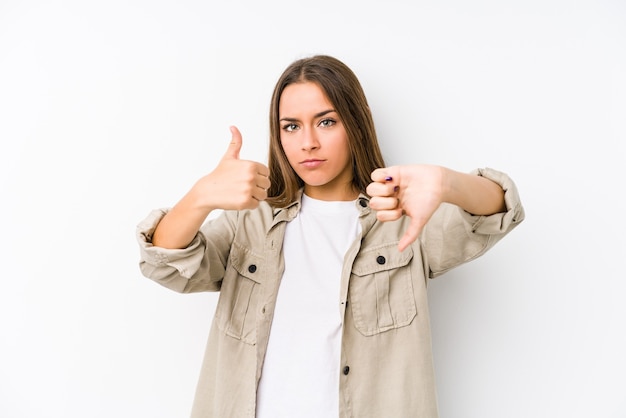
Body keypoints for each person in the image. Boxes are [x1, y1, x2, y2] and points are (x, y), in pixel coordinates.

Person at [136, 54, 524, 418]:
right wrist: (201, 196)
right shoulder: (251, 222)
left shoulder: (399, 218)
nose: (308, 142)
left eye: (326, 121)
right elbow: (166, 265)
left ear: (356, 121)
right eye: (291, 126)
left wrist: (447, 182)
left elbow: (495, 214)